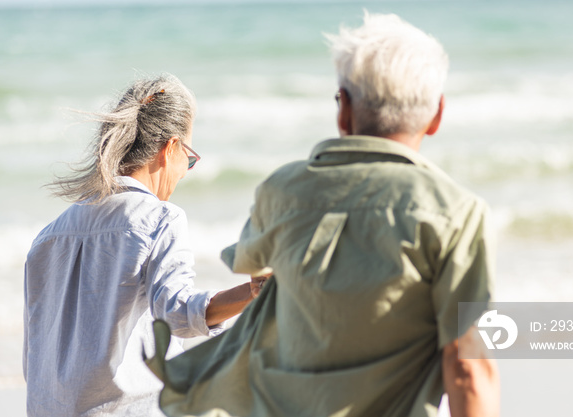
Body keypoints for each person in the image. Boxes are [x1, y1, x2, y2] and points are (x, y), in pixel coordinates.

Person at [146, 12, 499, 417]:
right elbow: (467, 366)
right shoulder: (457, 214)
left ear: (343, 110)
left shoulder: (281, 191)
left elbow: (252, 268)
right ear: (436, 116)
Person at [23, 74, 266, 417]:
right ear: (170, 149)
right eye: (190, 158)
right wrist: (253, 290)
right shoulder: (160, 218)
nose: (186, 171)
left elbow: (36, 355)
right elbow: (179, 315)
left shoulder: (48, 237)